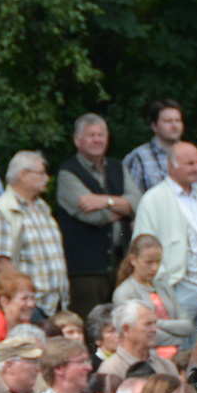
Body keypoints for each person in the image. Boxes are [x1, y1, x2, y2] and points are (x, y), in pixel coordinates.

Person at [128, 141, 197, 324]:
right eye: (190, 164)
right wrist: (161, 282)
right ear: (171, 166)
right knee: (179, 348)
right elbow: (141, 245)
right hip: (176, 288)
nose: (196, 168)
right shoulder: (153, 199)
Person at [55, 112, 138, 317]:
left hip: (120, 264)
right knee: (90, 325)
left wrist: (103, 202)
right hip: (85, 271)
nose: (97, 140)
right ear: (77, 140)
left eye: (101, 135)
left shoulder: (118, 166)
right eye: (91, 135)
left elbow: (138, 203)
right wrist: (123, 207)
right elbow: (94, 217)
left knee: (119, 322)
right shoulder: (67, 173)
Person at [0, 151, 69, 318]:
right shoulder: (3, 210)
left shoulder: (42, 207)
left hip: (54, 304)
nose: (47, 178)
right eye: (41, 173)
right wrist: (27, 299)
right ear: (23, 174)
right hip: (28, 307)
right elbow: (1, 262)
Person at [123, 98, 197, 196]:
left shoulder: (193, 155)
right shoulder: (139, 157)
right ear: (154, 126)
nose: (174, 125)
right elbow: (131, 201)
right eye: (168, 121)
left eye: (178, 120)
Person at [97, 301, 180, 386]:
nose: (154, 329)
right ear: (126, 329)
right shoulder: (111, 370)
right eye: (148, 324)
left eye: (155, 323)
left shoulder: (167, 366)